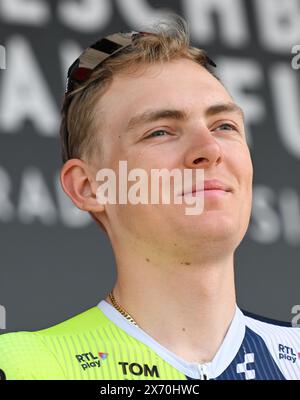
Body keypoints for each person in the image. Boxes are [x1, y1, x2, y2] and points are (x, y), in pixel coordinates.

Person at [0, 17, 299, 381]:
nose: (209, 149)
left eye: (224, 126)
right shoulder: (22, 367)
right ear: (90, 187)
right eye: (159, 131)